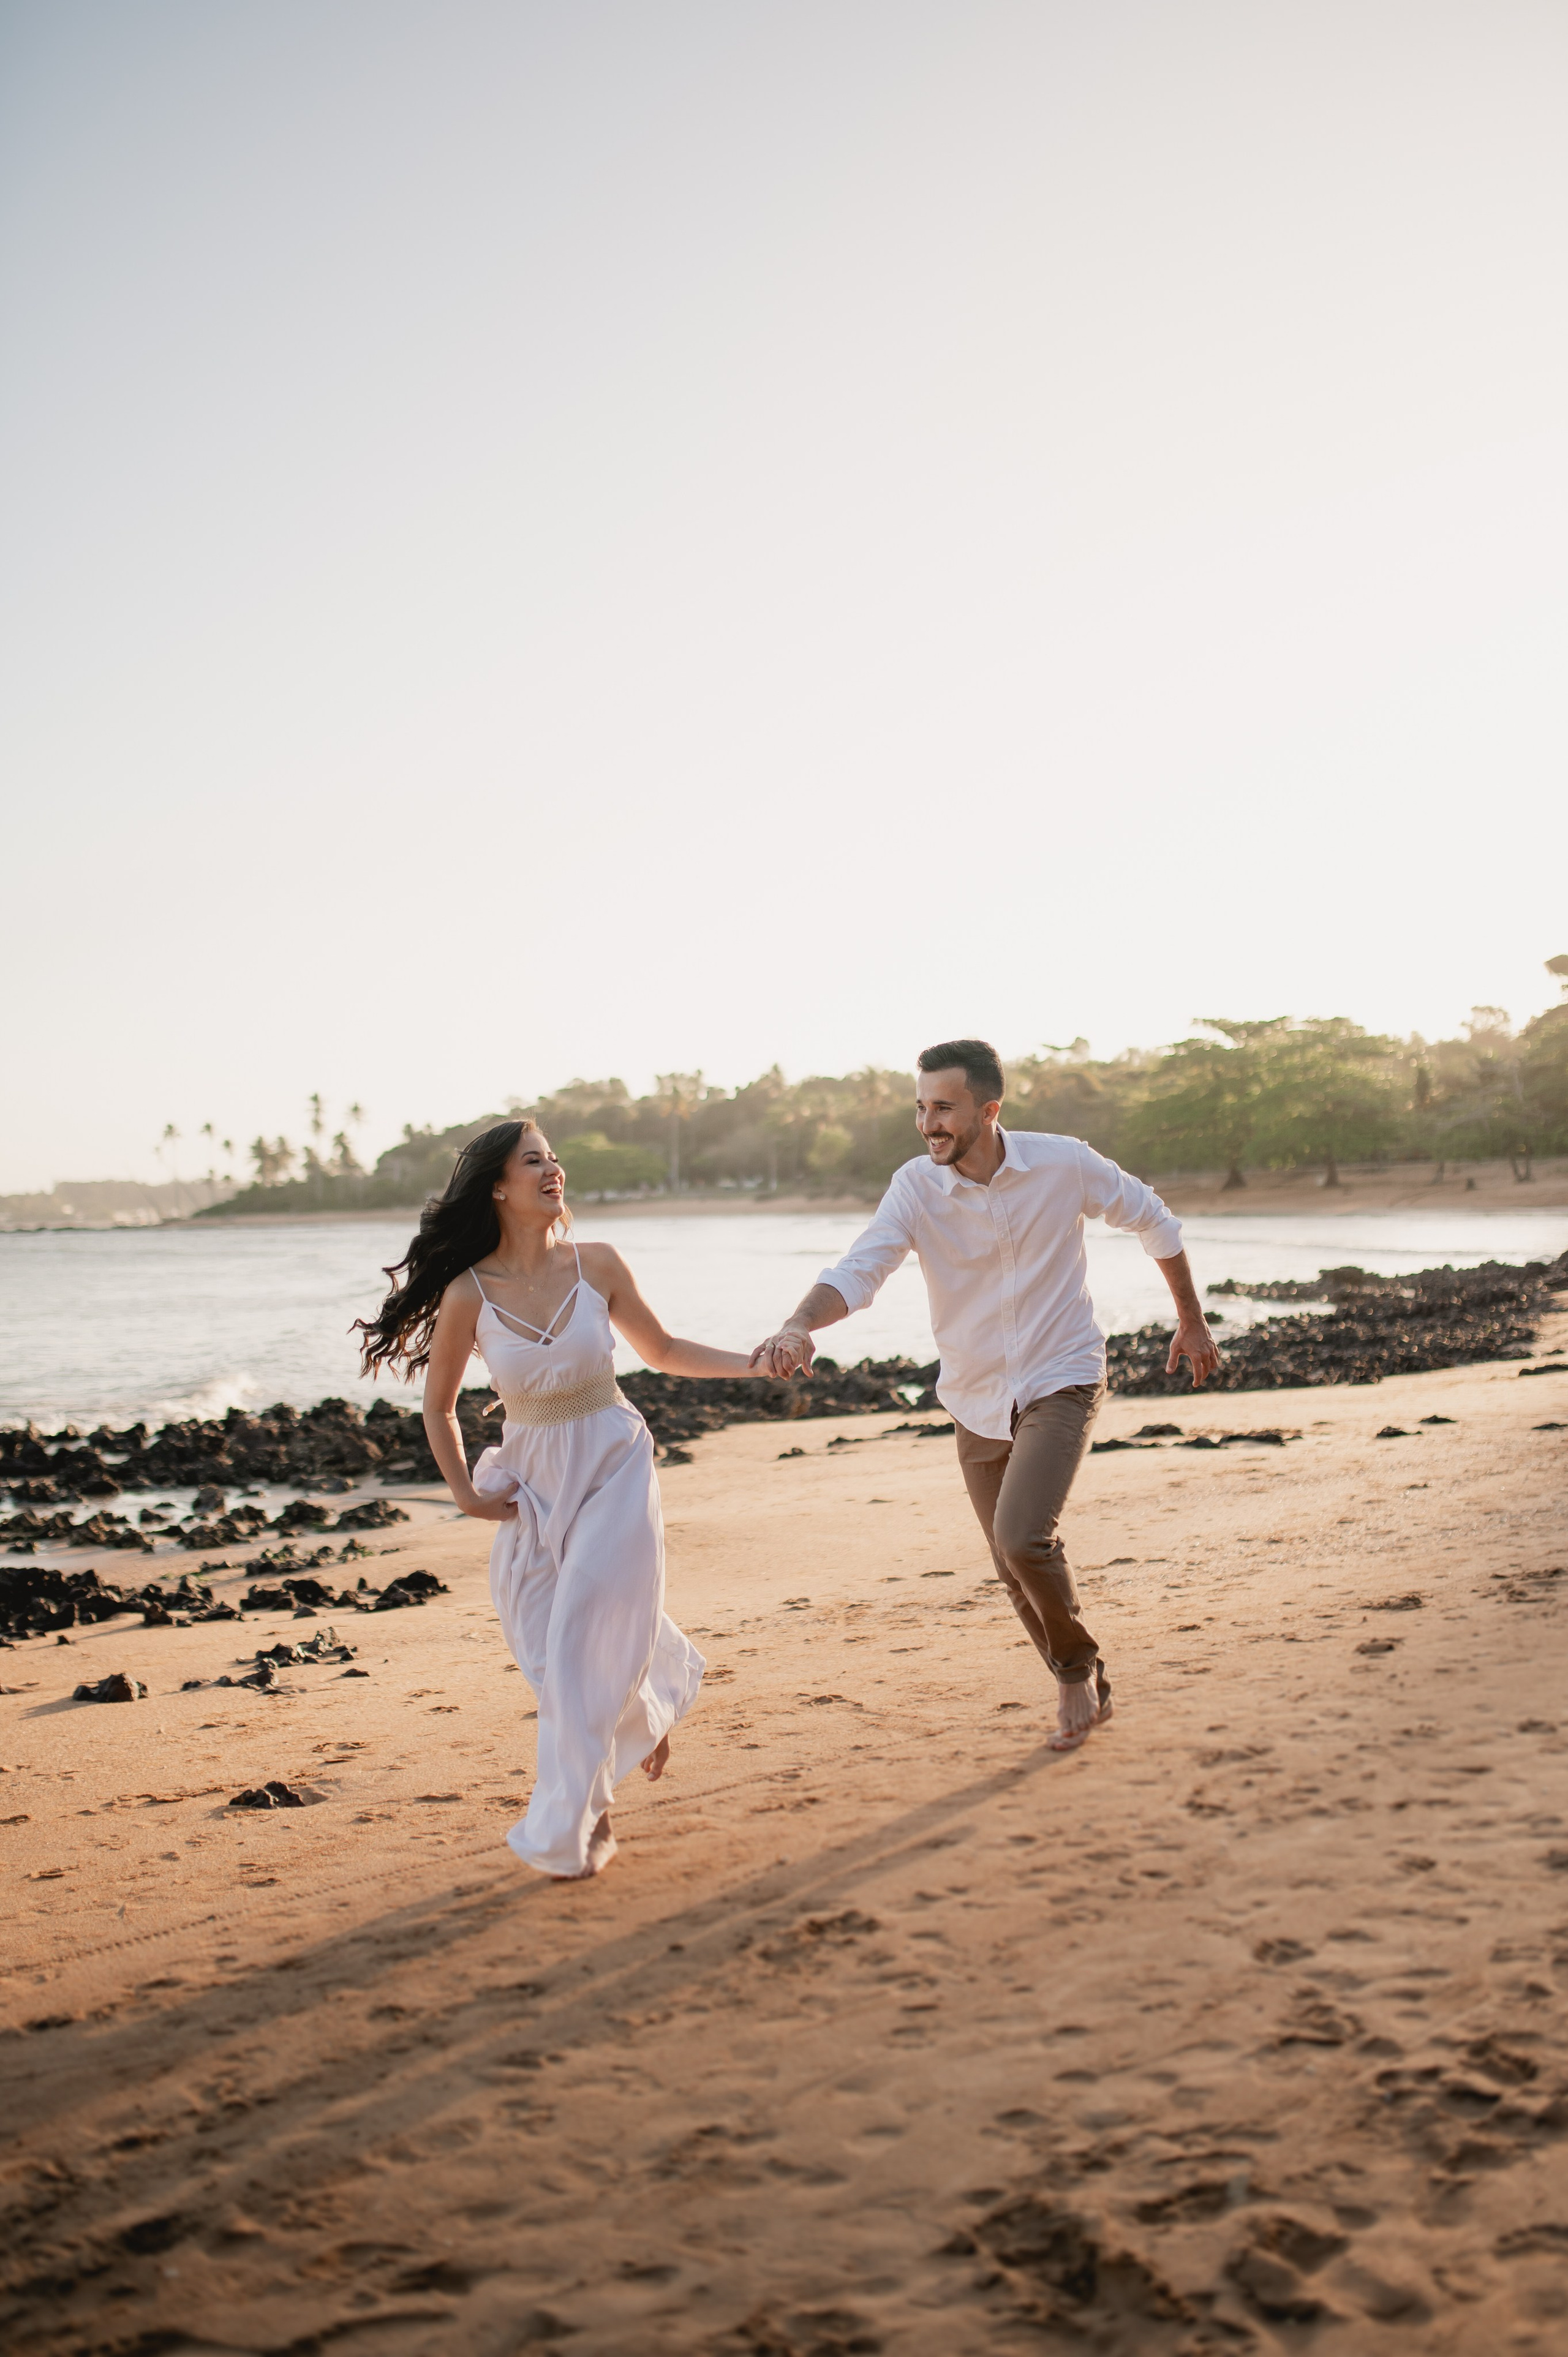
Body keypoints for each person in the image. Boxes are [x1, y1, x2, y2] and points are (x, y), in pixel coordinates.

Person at [752, 1040, 1221, 1751]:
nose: (927, 1123)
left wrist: (1190, 1318)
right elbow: (860, 1269)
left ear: (988, 1109)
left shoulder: (1062, 1162)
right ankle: (1083, 1674)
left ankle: (1073, 1669)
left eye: (943, 1107)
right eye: (920, 1107)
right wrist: (797, 1322)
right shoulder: (915, 1187)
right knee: (1010, 1567)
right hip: (974, 1394)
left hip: (1061, 1373)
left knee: (1022, 1535)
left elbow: (1155, 1219)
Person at [356, 1118, 775, 1879]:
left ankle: (573, 1823)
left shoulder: (600, 1263)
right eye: (533, 1161)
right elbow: (439, 1405)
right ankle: (633, 1715)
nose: (553, 1170)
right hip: (534, 1478)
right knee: (553, 1651)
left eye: (554, 1158)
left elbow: (666, 1351)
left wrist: (757, 1364)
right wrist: (466, 1494)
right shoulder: (468, 1292)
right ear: (496, 1185)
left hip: (614, 1460)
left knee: (586, 1624)